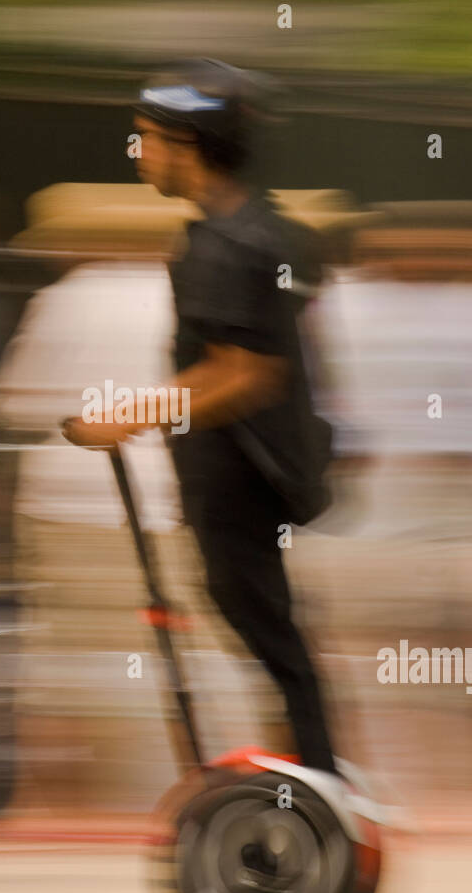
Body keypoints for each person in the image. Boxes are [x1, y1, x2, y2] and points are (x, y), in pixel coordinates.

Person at [63, 58, 339, 775]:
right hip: (250, 477)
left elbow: (244, 375)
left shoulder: (223, 246)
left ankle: (315, 792)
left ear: (187, 146)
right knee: (270, 636)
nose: (137, 152)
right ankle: (309, 781)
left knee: (270, 640)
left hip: (237, 480)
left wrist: (122, 416)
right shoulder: (262, 230)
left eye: (145, 137)